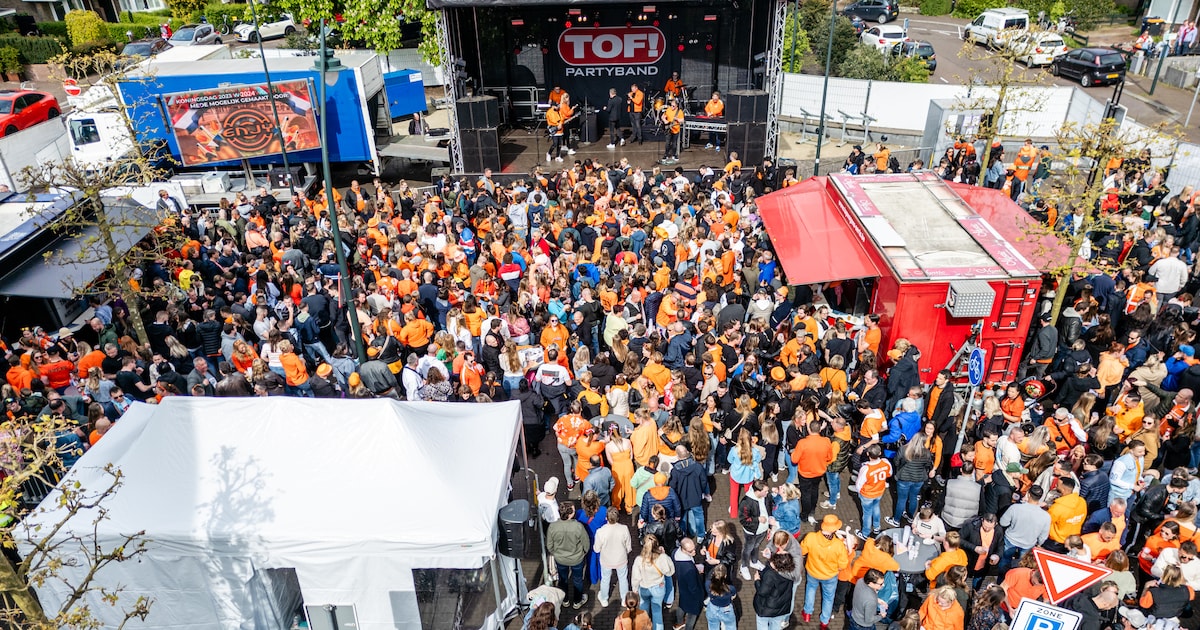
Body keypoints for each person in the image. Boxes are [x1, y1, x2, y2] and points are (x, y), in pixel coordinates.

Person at [800, 514, 853, 628]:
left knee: (810, 590)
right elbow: (843, 565)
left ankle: (807, 613)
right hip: (830, 576)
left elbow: (802, 551)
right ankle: (824, 621)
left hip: (812, 571)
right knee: (828, 598)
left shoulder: (811, 537)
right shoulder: (839, 545)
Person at [546, 502, 591, 609]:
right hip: (577, 559)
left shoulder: (553, 527)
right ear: (570, 514)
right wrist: (583, 553)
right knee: (578, 580)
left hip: (560, 559)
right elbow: (586, 543)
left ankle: (565, 600)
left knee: (563, 579)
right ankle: (577, 601)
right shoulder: (578, 526)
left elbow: (549, 545)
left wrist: (556, 553)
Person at [630, 534, 674, 630]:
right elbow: (670, 571)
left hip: (644, 588)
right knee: (657, 611)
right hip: (659, 587)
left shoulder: (639, 560)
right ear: (657, 544)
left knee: (643, 610)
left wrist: (634, 589)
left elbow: (635, 577)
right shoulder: (662, 557)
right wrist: (664, 554)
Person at [595, 508, 632, 607]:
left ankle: (604, 598)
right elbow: (628, 545)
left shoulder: (600, 531)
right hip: (621, 558)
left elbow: (596, 549)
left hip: (606, 559)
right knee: (623, 578)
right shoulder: (624, 528)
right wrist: (627, 551)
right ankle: (624, 599)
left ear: (606, 518)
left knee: (605, 579)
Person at [752, 552, 796, 630]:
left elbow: (762, 592)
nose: (771, 562)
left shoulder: (771, 575)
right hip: (781, 608)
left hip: (766, 608)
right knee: (776, 626)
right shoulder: (791, 573)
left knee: (762, 625)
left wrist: (757, 581)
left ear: (777, 565)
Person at [704, 564, 736, 630]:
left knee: (713, 627)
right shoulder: (730, 588)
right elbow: (733, 596)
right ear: (725, 576)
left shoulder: (708, 584)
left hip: (712, 607)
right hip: (726, 609)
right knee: (730, 626)